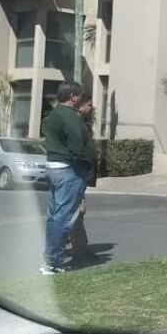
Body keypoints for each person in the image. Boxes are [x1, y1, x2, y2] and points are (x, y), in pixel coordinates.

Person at [40, 82, 96, 275]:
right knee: (64, 218)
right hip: (68, 170)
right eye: (81, 96)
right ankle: (53, 262)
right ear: (73, 96)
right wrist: (87, 163)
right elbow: (77, 147)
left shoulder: (53, 115)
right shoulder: (69, 117)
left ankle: (49, 258)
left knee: (55, 216)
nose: (83, 100)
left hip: (54, 168)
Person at [66, 96, 98, 259]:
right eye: (89, 105)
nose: (92, 108)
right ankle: (79, 248)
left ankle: (74, 243)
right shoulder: (74, 126)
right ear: (79, 106)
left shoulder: (83, 125)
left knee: (76, 211)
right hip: (74, 175)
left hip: (79, 176)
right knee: (77, 211)